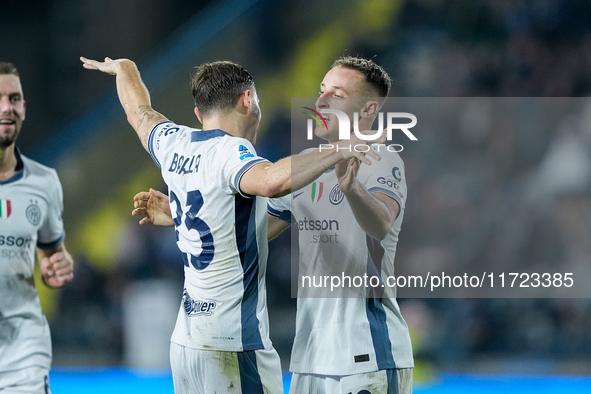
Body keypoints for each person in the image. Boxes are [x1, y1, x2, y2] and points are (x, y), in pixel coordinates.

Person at [80, 56, 385, 394]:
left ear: (199, 114)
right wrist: (340, 150)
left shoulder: (173, 142)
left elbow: (139, 112)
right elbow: (270, 182)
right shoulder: (232, 153)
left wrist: (126, 70)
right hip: (232, 342)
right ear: (248, 100)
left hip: (187, 342)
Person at [267, 56, 414, 394]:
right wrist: (179, 216)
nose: (320, 101)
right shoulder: (309, 167)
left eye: (337, 94)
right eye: (321, 91)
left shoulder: (382, 158)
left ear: (366, 109)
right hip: (310, 359)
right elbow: (256, 235)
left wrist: (351, 188)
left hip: (365, 355)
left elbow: (381, 225)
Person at [0, 62, 74, 394]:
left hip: (23, 355)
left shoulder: (45, 182)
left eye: (14, 99)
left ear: (24, 109)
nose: (7, 108)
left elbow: (51, 254)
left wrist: (55, 267)